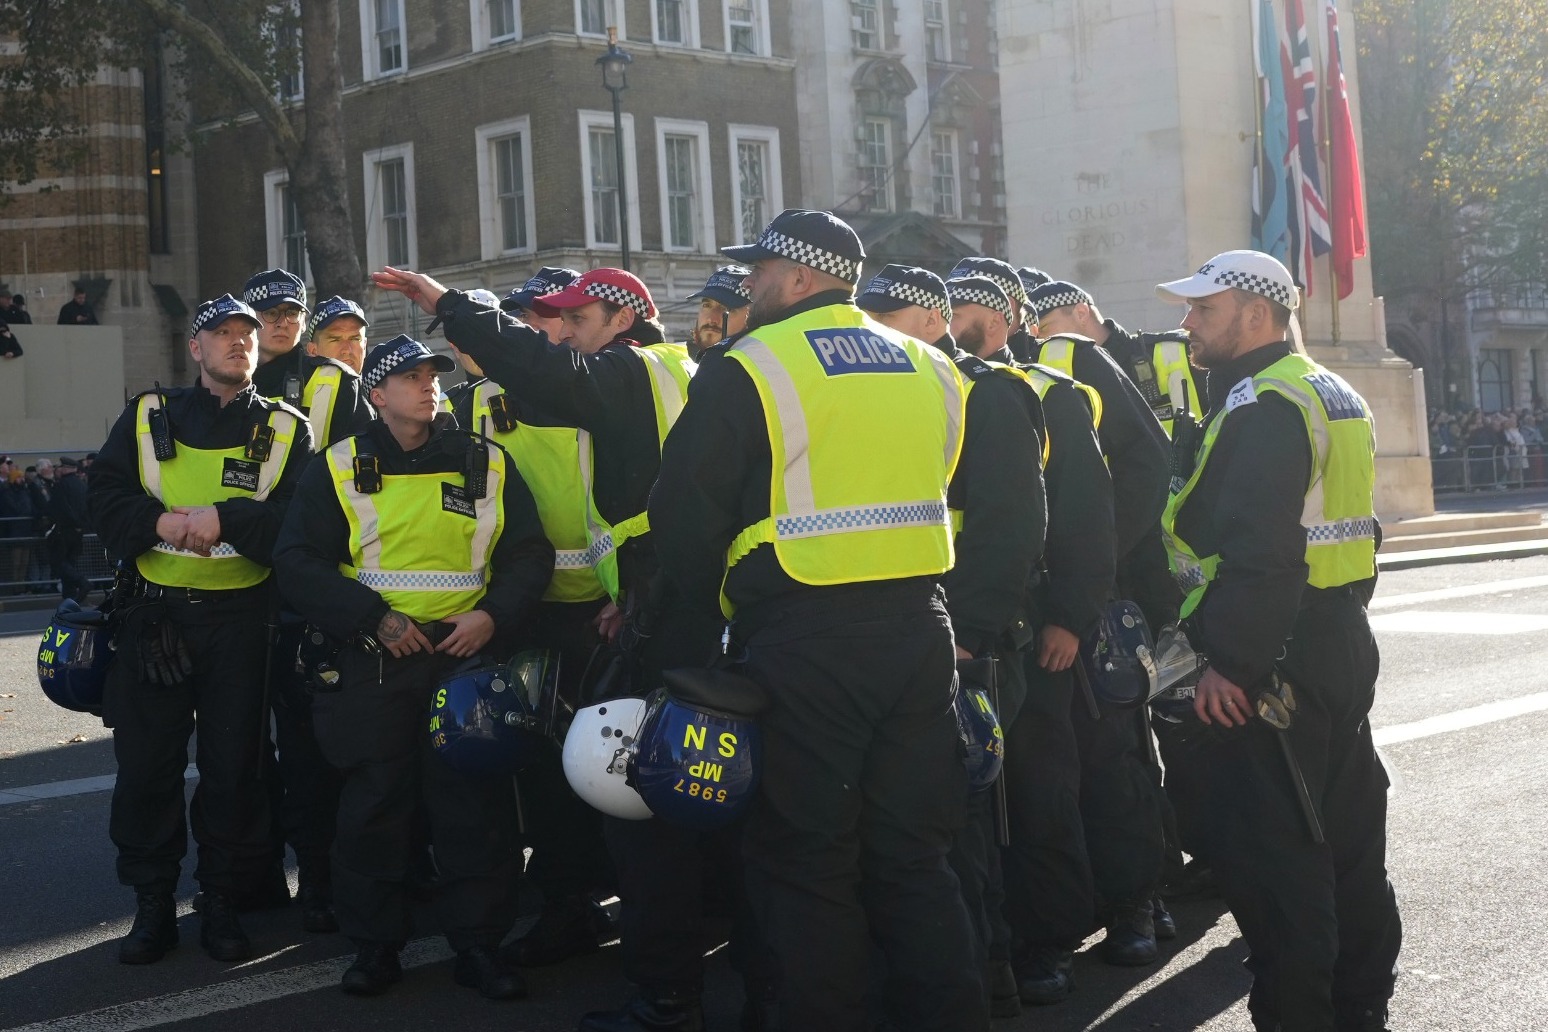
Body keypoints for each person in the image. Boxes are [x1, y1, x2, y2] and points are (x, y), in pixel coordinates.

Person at [650, 209, 987, 1031]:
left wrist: (704, 619)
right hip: (919, 629)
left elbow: (682, 516)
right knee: (914, 857)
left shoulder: (752, 364)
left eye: (759, 271)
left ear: (800, 277)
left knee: (808, 863)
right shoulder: (929, 364)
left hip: (805, 637)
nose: (748, 284)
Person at [1157, 250, 1401, 1032]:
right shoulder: (1331, 390)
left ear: (1256, 315)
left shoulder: (1264, 403)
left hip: (1274, 660)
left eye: (1205, 309)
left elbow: (1265, 552)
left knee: (1281, 870)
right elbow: (1358, 531)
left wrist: (1231, 663)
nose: (1187, 324)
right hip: (1335, 638)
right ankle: (1360, 1007)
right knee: (1351, 848)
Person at [272, 335, 553, 999]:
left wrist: (493, 618)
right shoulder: (337, 466)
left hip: (463, 656)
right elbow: (297, 561)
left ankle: (480, 948)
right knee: (374, 810)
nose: (428, 385)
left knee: (473, 811)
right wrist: (374, 619)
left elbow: (528, 555)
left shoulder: (488, 461)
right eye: (409, 377)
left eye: (433, 375)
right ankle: (373, 948)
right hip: (375, 659)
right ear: (375, 394)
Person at [87, 294, 314, 965]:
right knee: (148, 770)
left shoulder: (286, 426)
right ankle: (151, 904)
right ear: (196, 348)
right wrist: (157, 524)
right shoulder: (149, 415)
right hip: (154, 618)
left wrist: (228, 518)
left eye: (247, 334)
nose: (238, 343)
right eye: (222, 333)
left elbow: (300, 527)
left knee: (233, 772)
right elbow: (102, 495)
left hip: (241, 624)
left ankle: (220, 901)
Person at [859, 266, 1048, 1019]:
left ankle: (990, 964)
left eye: (887, 316)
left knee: (967, 822)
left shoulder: (984, 391)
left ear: (934, 319)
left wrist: (968, 634)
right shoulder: (889, 385)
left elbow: (1012, 526)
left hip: (968, 640)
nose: (869, 329)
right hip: (908, 634)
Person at [1033, 281, 1203, 437]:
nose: (1039, 339)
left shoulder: (1177, 350)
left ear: (1081, 313)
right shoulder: (1056, 379)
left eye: (1045, 327)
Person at [46, 456, 91, 602]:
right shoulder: (81, 485)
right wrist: (81, 524)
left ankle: (81, 582)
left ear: (65, 469)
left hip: (64, 530)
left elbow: (61, 509)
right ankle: (69, 598)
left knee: (59, 561)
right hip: (78, 531)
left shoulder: (61, 485)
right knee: (70, 562)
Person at [683, 264, 752, 359]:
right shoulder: (690, 366)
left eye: (727, 309)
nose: (711, 319)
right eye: (706, 305)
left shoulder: (758, 366)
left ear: (751, 316)